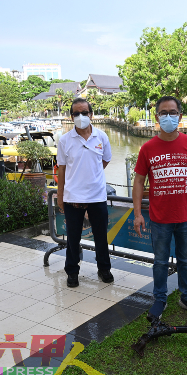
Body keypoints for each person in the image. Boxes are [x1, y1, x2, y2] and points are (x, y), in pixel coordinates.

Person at [132, 96, 187, 319]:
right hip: (159, 218)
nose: (168, 116)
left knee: (186, 260)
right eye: (164, 113)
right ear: (157, 117)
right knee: (160, 261)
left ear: (180, 116)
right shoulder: (148, 148)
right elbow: (139, 181)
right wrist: (138, 214)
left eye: (172, 112)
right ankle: (160, 298)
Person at [57, 98, 113, 287]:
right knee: (73, 238)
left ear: (91, 114)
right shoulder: (65, 140)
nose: (81, 116)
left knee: (101, 237)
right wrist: (61, 195)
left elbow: (104, 161)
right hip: (73, 197)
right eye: (76, 113)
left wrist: (92, 176)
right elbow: (62, 169)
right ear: (71, 116)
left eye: (84, 112)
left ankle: (104, 268)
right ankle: (72, 271)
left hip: (97, 196)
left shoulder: (102, 137)